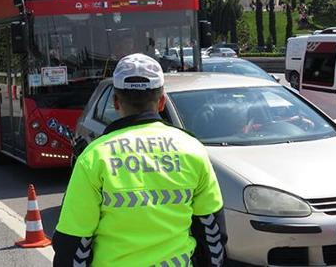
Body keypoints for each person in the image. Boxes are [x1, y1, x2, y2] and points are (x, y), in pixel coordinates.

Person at [53, 53, 227, 267]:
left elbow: (72, 243)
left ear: (116, 102)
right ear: (162, 101)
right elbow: (213, 236)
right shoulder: (193, 150)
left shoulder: (94, 157)